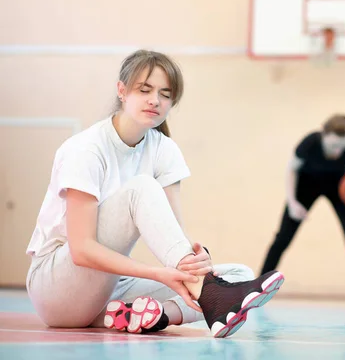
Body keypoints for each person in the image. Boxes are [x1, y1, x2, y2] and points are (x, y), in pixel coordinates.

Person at [25, 49, 284, 338]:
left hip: (109, 290)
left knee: (239, 274)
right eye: (144, 89)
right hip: (56, 289)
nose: (155, 100)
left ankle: (155, 316)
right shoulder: (87, 149)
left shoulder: (164, 149)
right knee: (141, 187)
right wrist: (157, 273)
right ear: (122, 90)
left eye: (165, 93)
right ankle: (208, 294)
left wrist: (197, 262)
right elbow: (82, 250)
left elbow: (173, 238)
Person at [260, 114, 345, 311]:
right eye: (334, 145)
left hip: (340, 188)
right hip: (306, 186)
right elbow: (291, 170)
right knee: (283, 238)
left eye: (343, 146)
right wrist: (292, 203)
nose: (338, 150)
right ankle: (258, 291)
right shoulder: (309, 144)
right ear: (324, 135)